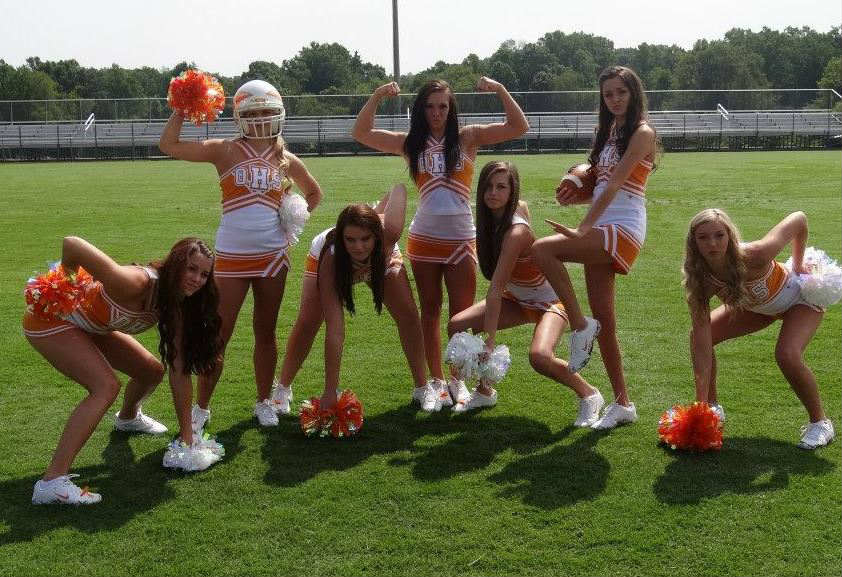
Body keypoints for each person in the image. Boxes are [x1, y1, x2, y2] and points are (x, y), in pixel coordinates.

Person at [352, 77, 529, 409]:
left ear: (452, 108)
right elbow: (361, 133)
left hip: (462, 238)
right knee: (430, 312)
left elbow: (518, 126)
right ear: (421, 109)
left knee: (463, 317)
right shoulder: (411, 143)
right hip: (424, 240)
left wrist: (501, 89)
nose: (436, 113)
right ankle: (437, 382)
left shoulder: (467, 138)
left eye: (443, 106)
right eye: (430, 106)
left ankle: (458, 379)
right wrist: (376, 95)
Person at [159, 79, 322, 429]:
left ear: (279, 115)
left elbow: (314, 193)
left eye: (268, 112)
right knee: (217, 335)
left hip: (273, 259)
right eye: (254, 112)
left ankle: (264, 401)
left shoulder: (286, 158)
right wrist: (181, 107)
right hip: (231, 258)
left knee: (266, 332)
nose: (262, 118)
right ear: (240, 117)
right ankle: (201, 408)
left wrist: (293, 217)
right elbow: (168, 144)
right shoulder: (225, 150)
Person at [26, 236, 222, 505]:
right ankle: (51, 482)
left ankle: (128, 418)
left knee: (151, 371)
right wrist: (64, 286)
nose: (197, 279)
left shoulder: (174, 304)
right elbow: (72, 245)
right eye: (191, 269)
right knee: (105, 387)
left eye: (204, 274)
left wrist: (188, 439)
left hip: (92, 328)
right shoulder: (135, 282)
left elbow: (179, 370)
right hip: (50, 320)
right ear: (175, 264)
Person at [533, 66, 657, 429]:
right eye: (608, 94)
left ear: (633, 93)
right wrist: (573, 194)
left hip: (623, 226)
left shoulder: (643, 132)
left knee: (543, 250)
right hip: (601, 223)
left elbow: (618, 183)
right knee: (608, 322)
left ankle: (579, 325)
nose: (615, 99)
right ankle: (623, 404)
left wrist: (581, 227)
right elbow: (600, 184)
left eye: (621, 92)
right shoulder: (607, 132)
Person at [448, 161, 604, 423]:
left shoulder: (516, 232)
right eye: (488, 186)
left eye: (501, 187)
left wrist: (489, 339)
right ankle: (484, 391)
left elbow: (495, 289)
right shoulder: (494, 218)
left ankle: (589, 394)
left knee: (539, 357)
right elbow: (523, 207)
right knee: (457, 325)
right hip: (517, 299)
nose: (493, 193)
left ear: (512, 191)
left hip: (550, 303)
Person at [683, 208, 834, 449]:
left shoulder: (756, 254)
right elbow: (702, 340)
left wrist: (797, 264)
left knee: (787, 355)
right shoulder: (699, 279)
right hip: (758, 309)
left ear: (729, 236)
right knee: (699, 335)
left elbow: (800, 219)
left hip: (799, 300)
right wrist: (699, 403)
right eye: (703, 237)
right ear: (693, 242)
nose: (712, 243)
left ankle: (820, 423)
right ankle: (711, 408)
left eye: (719, 235)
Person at [281, 184, 430, 410]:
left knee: (409, 314)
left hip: (381, 261)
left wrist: (380, 211)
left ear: (377, 236)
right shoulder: (330, 257)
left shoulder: (389, 235)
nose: (358, 247)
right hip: (333, 264)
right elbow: (336, 329)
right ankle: (282, 388)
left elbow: (398, 189)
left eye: (365, 239)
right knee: (309, 321)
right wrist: (330, 391)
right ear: (341, 238)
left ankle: (422, 387)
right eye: (350, 239)